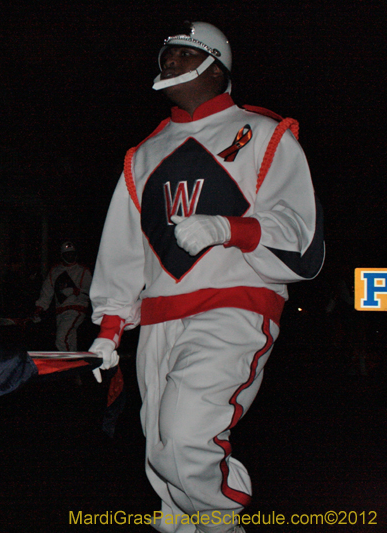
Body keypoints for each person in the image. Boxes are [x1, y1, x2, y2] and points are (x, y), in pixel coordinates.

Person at [88, 22, 324, 533]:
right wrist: (110, 327)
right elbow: (123, 250)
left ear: (216, 69)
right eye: (165, 53)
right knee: (160, 449)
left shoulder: (263, 133)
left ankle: (222, 521)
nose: (168, 61)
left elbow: (301, 235)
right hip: (159, 319)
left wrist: (228, 228)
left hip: (235, 306)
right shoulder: (143, 154)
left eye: (183, 53)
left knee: (186, 434)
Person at [33, 242, 92, 351]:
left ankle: (67, 360)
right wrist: (40, 307)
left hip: (76, 309)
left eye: (72, 254)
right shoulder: (55, 271)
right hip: (60, 311)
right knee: (69, 339)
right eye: (67, 254)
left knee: (61, 338)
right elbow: (47, 291)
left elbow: (89, 290)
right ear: (62, 255)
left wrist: (75, 291)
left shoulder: (83, 270)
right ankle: (74, 360)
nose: (70, 256)